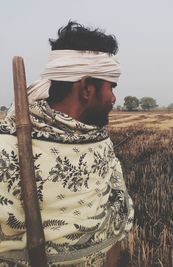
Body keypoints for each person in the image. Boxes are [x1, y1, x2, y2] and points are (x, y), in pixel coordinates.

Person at [0, 21, 134, 266]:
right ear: (86, 88)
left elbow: (116, 206)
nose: (114, 98)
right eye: (111, 87)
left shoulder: (99, 140)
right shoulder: (8, 150)